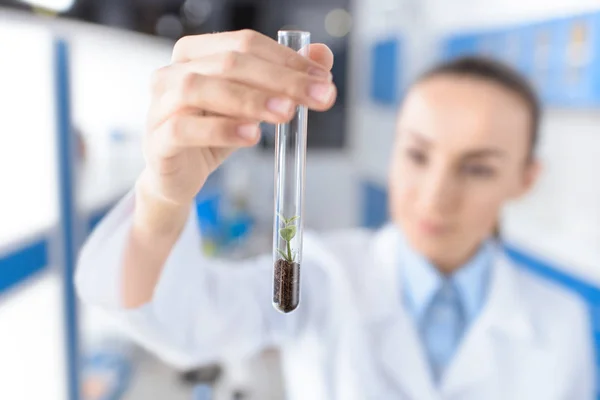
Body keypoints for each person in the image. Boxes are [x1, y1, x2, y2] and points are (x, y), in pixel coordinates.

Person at [75, 30, 595, 399]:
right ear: (392, 151)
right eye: (417, 154)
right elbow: (184, 324)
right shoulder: (324, 279)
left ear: (525, 178)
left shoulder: (562, 322)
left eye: (477, 169)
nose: (436, 196)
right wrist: (164, 200)